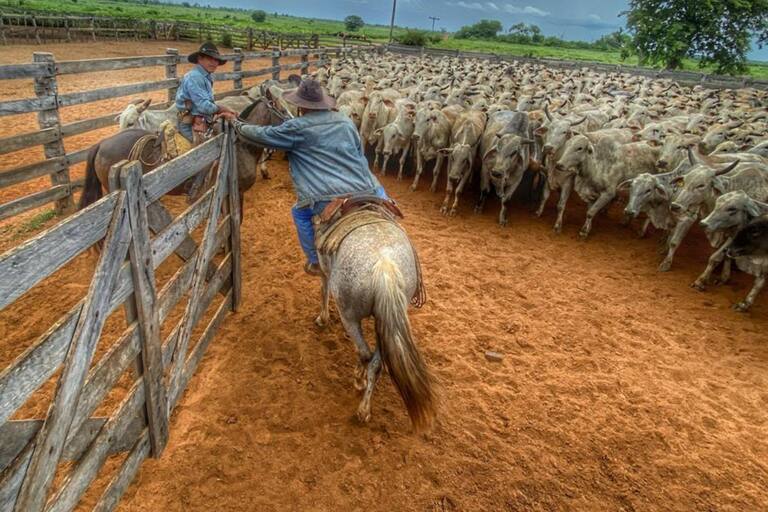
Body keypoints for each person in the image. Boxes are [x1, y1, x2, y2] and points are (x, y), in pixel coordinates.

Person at [223, 79, 389, 276]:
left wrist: (236, 123)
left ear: (301, 106)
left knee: (299, 213)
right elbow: (359, 153)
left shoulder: (297, 127)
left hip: (327, 196)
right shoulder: (345, 121)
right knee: (384, 203)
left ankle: (315, 260)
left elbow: (262, 134)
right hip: (369, 187)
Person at [175, 42, 237, 144]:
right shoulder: (195, 77)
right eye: (210, 59)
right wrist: (221, 108)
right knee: (209, 151)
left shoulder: (205, 76)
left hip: (202, 121)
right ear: (200, 59)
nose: (214, 62)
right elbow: (204, 107)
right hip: (190, 124)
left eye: (216, 60)